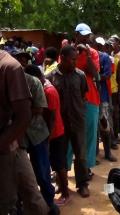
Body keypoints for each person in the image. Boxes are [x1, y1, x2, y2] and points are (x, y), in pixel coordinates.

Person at [0, 50, 49, 214]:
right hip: (17, 141)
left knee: (32, 186)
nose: (24, 62)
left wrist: (4, 142)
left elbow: (26, 114)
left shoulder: (10, 68)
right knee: (29, 190)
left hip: (13, 142)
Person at [47, 45, 91, 198]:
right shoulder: (50, 77)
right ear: (63, 58)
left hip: (78, 121)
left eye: (76, 60)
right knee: (61, 155)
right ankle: (62, 184)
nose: (75, 62)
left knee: (81, 154)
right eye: (72, 60)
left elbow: (84, 96)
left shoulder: (80, 75)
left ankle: (83, 184)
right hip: (60, 124)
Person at [25, 64, 69, 206]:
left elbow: (51, 117)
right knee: (54, 165)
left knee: (59, 165)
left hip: (54, 133)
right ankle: (60, 190)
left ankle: (65, 194)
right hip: (53, 133)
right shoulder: (47, 87)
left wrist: (48, 139)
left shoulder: (48, 91)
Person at [21, 64, 59, 214]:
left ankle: (49, 204)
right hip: (19, 137)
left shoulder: (34, 83)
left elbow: (40, 109)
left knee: (42, 172)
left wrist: (19, 112)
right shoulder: (9, 82)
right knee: (22, 174)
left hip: (37, 134)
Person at [73, 23, 100, 177]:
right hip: (72, 100)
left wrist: (87, 54)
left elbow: (95, 74)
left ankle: (87, 167)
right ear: (76, 35)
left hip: (90, 98)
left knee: (89, 134)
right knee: (70, 135)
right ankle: (64, 167)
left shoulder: (93, 53)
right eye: (82, 35)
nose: (85, 38)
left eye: (87, 35)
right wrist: (76, 52)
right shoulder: (68, 51)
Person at [94, 37, 117, 162]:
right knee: (93, 129)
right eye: (96, 44)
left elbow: (107, 75)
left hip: (102, 97)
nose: (98, 47)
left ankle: (107, 153)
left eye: (99, 45)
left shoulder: (105, 58)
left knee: (105, 125)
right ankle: (95, 155)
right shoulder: (89, 57)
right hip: (90, 98)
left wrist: (94, 77)